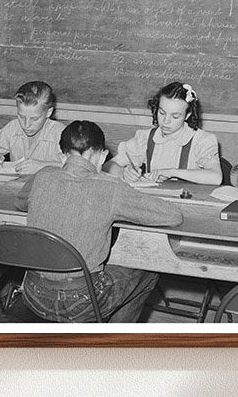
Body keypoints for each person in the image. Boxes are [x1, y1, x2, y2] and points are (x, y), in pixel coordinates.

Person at [15, 120, 183, 322]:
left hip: (33, 294)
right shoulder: (110, 187)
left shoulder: (41, 176)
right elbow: (173, 216)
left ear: (61, 156)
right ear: (103, 156)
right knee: (147, 270)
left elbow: (20, 202)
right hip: (80, 302)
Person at [112, 82, 221, 186]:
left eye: (175, 116)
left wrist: (172, 172)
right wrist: (124, 173)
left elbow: (216, 177)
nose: (166, 121)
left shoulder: (202, 140)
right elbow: (108, 166)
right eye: (162, 113)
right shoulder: (145, 138)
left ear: (187, 115)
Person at [0, 80, 63, 174]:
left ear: (49, 112)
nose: (26, 125)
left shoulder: (60, 133)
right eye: (21, 116)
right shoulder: (13, 128)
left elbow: (77, 168)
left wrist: (43, 167)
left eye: (34, 119)